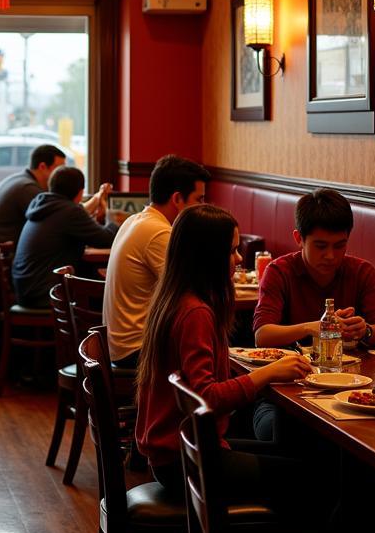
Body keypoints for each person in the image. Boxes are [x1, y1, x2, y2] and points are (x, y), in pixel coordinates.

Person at [134, 205, 313, 515]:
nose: (240, 258)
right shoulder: (196, 313)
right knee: (311, 477)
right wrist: (267, 373)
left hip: (176, 453)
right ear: (207, 256)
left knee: (290, 453)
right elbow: (207, 397)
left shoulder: (175, 298)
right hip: (186, 461)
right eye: (232, 251)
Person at [103, 155, 210, 367]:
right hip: (137, 350)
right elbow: (192, 291)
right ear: (177, 199)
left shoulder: (137, 220)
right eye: (198, 200)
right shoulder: (158, 232)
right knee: (229, 342)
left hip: (120, 345)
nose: (202, 207)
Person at [253, 188, 375, 349]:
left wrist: (364, 330)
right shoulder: (279, 271)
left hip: (350, 370)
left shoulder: (362, 271)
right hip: (292, 369)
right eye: (321, 246)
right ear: (299, 238)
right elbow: (262, 336)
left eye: (339, 245)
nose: (330, 256)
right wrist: (312, 328)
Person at [12, 166, 116, 308]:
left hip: (26, 292)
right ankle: (94, 330)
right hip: (45, 294)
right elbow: (106, 239)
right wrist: (111, 217)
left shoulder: (43, 204)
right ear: (80, 192)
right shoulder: (69, 211)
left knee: (94, 281)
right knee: (107, 296)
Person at [0, 144, 67, 285]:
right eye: (59, 169)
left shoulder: (19, 180)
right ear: (43, 167)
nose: (62, 174)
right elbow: (58, 220)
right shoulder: (28, 189)